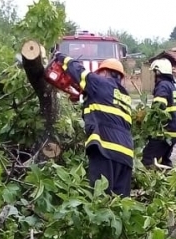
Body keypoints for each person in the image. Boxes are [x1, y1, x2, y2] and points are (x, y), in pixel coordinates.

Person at [55, 53, 134, 197]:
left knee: (99, 199)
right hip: (126, 155)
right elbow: (106, 113)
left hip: (105, 148)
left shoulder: (99, 83)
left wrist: (61, 58)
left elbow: (78, 71)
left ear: (104, 72)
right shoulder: (125, 97)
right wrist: (86, 97)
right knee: (120, 204)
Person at [142, 59, 176, 168]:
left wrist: (146, 123)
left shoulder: (162, 86)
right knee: (163, 161)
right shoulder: (171, 86)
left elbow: (158, 108)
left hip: (163, 134)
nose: (154, 75)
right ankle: (167, 182)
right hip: (172, 133)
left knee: (148, 160)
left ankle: (148, 184)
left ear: (158, 72)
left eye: (154, 72)